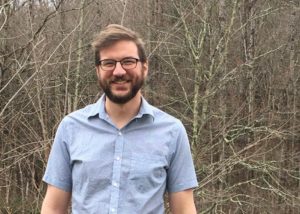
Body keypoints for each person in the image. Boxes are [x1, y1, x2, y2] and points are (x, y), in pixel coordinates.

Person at [41, 24, 198, 214]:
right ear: (98, 70)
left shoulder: (172, 131)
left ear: (145, 67)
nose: (118, 71)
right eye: (109, 63)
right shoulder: (70, 128)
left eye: (128, 61)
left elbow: (184, 210)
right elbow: (52, 208)